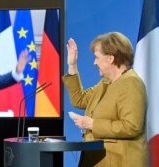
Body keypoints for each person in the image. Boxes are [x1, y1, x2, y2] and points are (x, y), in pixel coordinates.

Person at [62, 32, 147, 167]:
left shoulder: (131, 83)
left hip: (119, 162)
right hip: (98, 160)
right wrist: (72, 65)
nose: (94, 62)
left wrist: (92, 124)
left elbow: (132, 126)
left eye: (97, 57)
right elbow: (79, 99)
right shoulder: (105, 83)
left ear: (110, 59)